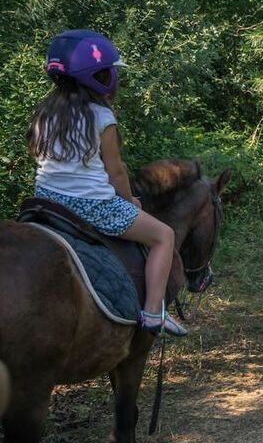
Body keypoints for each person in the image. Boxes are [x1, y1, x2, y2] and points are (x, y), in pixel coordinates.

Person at [27, 29, 186, 336]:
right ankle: (153, 313)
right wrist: (129, 201)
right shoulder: (101, 116)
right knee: (164, 236)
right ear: (98, 77)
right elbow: (115, 172)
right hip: (93, 205)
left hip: (45, 201)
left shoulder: (44, 113)